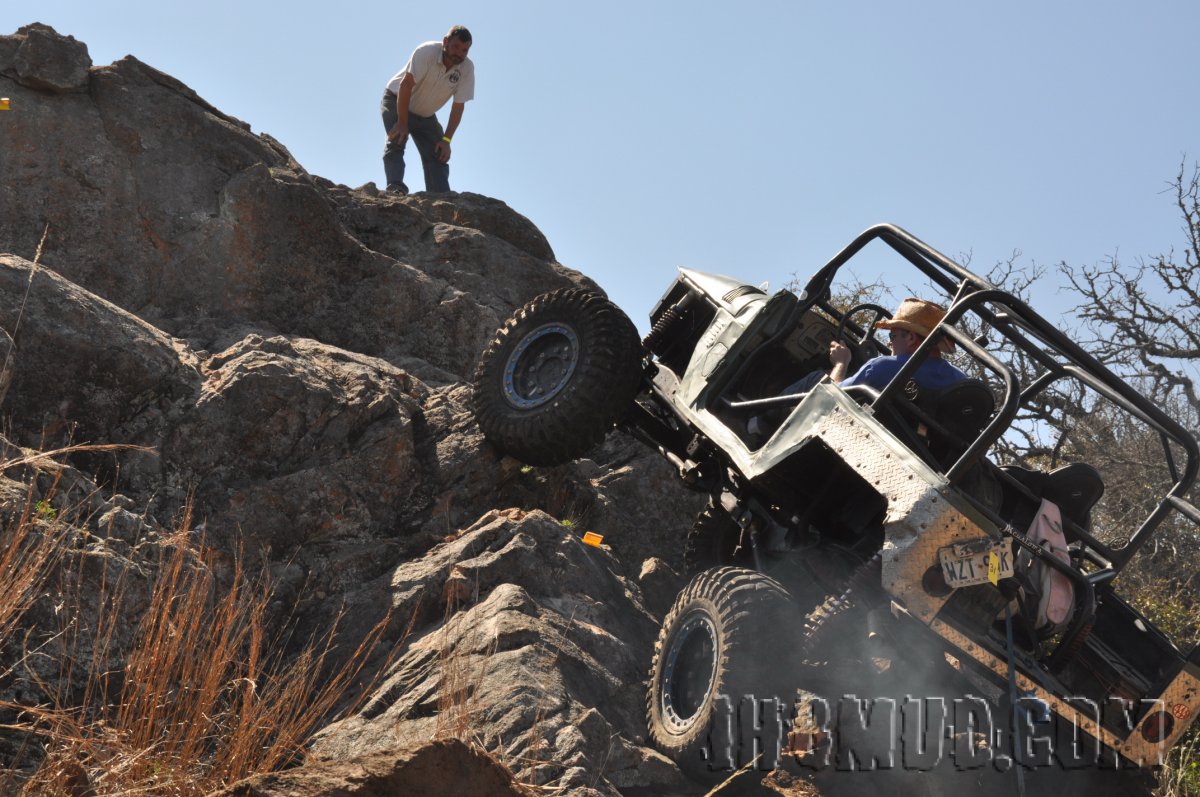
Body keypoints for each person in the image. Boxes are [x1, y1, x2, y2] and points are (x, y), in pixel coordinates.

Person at [381, 26, 475, 195]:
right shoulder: (427, 52)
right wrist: (402, 123)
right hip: (397, 100)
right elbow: (406, 84)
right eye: (455, 47)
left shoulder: (466, 68)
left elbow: (458, 106)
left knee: (439, 153)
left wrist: (446, 140)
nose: (459, 54)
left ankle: (440, 199)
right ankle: (395, 189)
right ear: (445, 42)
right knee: (397, 139)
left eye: (464, 50)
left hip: (425, 116)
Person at [833, 297, 967, 391]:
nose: (889, 342)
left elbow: (831, 395)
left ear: (911, 338)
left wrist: (841, 363)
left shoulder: (882, 367)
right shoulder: (961, 381)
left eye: (893, 335)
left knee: (813, 378)